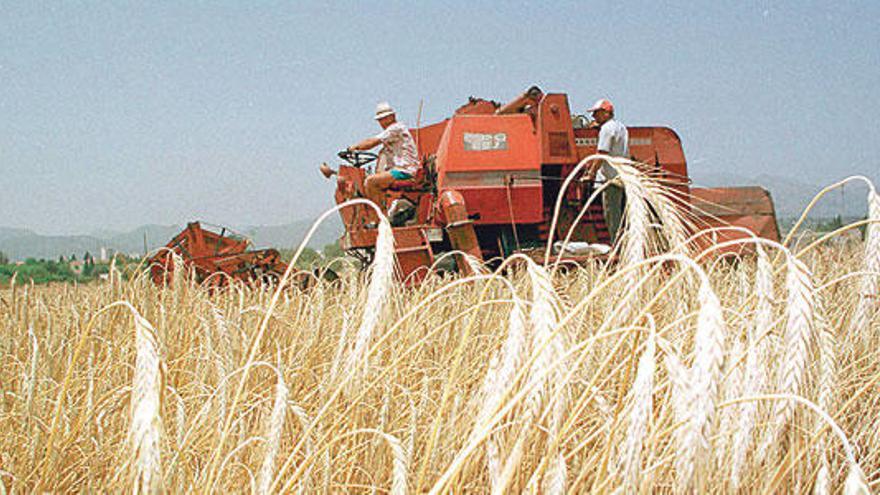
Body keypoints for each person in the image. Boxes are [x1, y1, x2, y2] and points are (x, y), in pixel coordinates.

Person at [348, 102, 420, 212]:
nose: (381, 122)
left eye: (384, 119)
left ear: (392, 117)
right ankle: (385, 211)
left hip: (405, 171)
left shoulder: (396, 129)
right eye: (380, 120)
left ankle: (380, 217)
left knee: (370, 182)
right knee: (375, 180)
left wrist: (354, 147)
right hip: (398, 170)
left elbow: (371, 142)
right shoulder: (391, 135)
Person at [586, 98, 629, 242]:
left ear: (606, 113)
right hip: (622, 176)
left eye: (596, 113)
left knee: (612, 215)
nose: (593, 117)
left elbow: (602, 154)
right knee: (622, 213)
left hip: (610, 179)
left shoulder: (606, 129)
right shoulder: (621, 127)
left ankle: (616, 245)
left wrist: (590, 174)